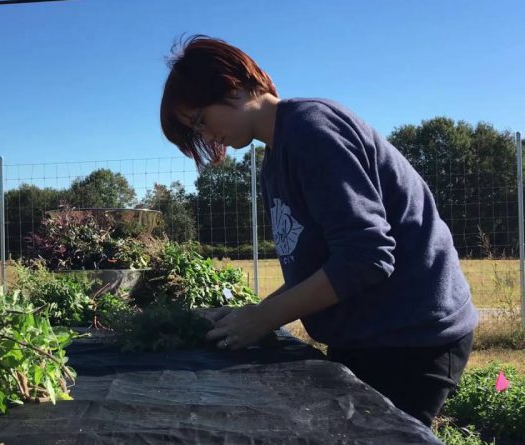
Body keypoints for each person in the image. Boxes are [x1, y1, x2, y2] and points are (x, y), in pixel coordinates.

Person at [159, 35, 478, 427]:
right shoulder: (275, 160)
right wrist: (254, 313)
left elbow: (367, 256)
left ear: (232, 84)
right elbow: (320, 269)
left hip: (412, 335)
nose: (206, 138)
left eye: (201, 121)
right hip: (370, 333)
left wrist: (265, 318)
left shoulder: (311, 131)